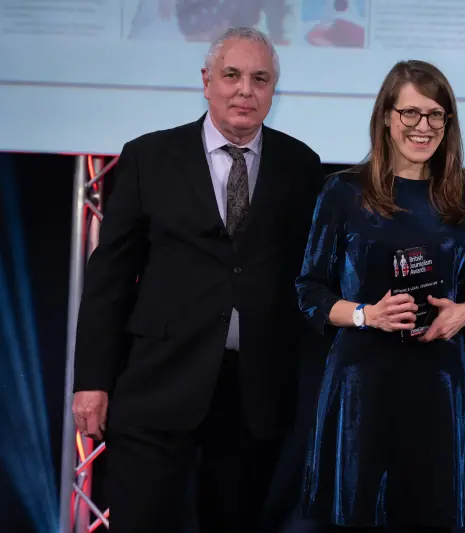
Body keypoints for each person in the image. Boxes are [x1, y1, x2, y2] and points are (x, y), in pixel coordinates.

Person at [70, 26, 324, 533]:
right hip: (157, 383)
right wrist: (92, 381)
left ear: (274, 90)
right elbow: (110, 277)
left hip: (254, 394)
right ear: (206, 81)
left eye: (260, 79)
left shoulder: (302, 166)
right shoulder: (149, 157)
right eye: (232, 75)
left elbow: (310, 274)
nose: (244, 90)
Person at [295, 60, 465, 532]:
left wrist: (464, 311)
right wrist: (366, 315)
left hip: (439, 387)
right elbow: (309, 291)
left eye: (435, 115)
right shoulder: (342, 192)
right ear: (386, 116)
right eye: (411, 114)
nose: (423, 127)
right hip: (362, 386)